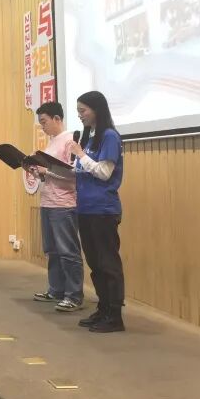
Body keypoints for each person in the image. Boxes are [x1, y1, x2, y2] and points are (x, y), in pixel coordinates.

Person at [66, 91, 126, 334]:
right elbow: (82, 171)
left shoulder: (109, 136)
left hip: (103, 209)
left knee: (108, 263)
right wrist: (49, 171)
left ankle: (115, 315)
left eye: (83, 110)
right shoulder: (90, 138)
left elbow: (103, 172)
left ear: (96, 110)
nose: (80, 115)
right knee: (94, 263)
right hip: (86, 208)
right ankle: (103, 308)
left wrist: (80, 154)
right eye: (78, 111)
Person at [28, 102, 84, 312]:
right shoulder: (51, 142)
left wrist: (47, 171)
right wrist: (37, 172)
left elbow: (74, 173)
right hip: (48, 202)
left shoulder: (70, 140)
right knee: (52, 250)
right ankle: (56, 290)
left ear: (57, 119)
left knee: (68, 251)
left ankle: (74, 295)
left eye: (44, 122)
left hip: (64, 203)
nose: (43, 127)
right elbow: (51, 174)